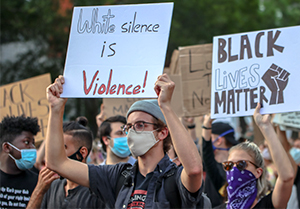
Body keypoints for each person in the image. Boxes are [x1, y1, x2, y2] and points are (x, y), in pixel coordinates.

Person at [45, 74, 204, 208]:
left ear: (162, 133)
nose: (132, 132)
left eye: (140, 125)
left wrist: (166, 107)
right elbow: (57, 163)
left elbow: (194, 170)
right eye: (129, 127)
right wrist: (55, 109)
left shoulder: (174, 178)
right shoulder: (117, 176)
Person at [215, 103, 294, 209]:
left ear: (258, 172)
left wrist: (265, 126)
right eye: (229, 165)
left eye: (241, 164)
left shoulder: (268, 204)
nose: (233, 169)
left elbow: (286, 177)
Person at [26, 117, 104, 208]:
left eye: (62, 148)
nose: (56, 152)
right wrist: (39, 191)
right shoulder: (52, 185)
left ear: (82, 153)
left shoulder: (98, 192)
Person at [0, 115, 40, 208]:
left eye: (33, 143)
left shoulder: (38, 183)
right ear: (7, 147)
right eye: (27, 142)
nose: (32, 148)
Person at [202, 119, 238, 207]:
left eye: (211, 137)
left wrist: (206, 126)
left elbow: (207, 154)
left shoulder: (238, 168)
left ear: (219, 141)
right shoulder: (209, 165)